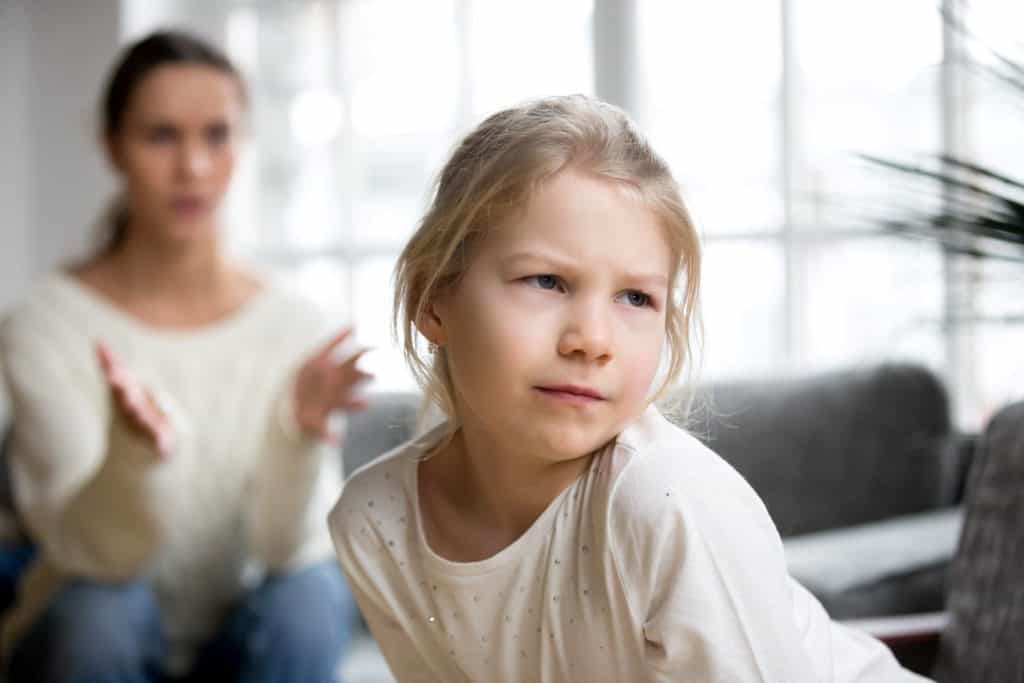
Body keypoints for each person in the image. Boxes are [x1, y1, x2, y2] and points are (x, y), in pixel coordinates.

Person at [328, 95, 931, 682]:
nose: (593, 339)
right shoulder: (375, 519)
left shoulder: (667, 502)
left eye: (636, 298)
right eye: (546, 281)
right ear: (433, 296)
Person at [0, 30, 368, 682]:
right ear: (112, 145)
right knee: (99, 612)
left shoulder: (296, 326)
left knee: (311, 596)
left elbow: (286, 549)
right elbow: (88, 554)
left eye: (217, 135)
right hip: (91, 631)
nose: (193, 166)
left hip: (244, 636)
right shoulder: (45, 324)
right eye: (161, 135)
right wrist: (136, 454)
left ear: (243, 143)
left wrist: (300, 437)